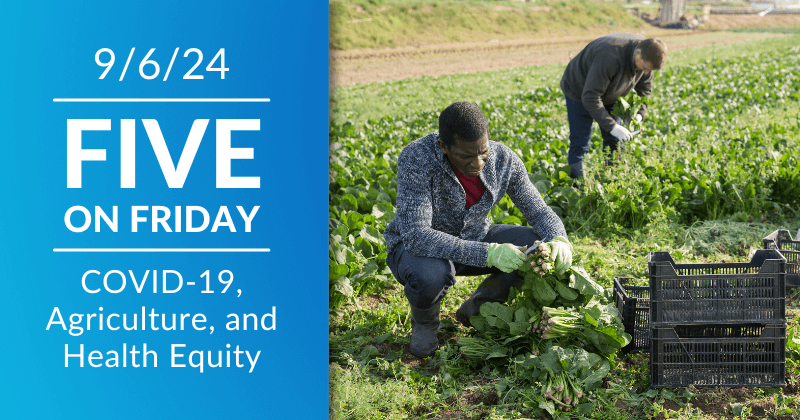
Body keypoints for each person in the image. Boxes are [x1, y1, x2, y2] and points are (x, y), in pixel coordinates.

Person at [383, 101, 573, 358]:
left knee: (537, 246)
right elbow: (417, 236)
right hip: (416, 250)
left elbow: (539, 211)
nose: (478, 162)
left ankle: (479, 308)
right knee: (430, 275)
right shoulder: (416, 158)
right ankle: (426, 324)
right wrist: (488, 254)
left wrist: (559, 239)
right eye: (466, 155)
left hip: (474, 235)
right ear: (444, 147)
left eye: (482, 152)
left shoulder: (504, 160)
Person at [561, 33, 667, 178]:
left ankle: (611, 179)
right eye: (644, 67)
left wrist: (639, 114)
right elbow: (590, 97)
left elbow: (645, 89)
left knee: (615, 142)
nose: (646, 72)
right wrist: (612, 126)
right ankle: (578, 188)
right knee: (580, 142)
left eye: (649, 70)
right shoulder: (610, 57)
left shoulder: (647, 59)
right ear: (638, 53)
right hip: (579, 91)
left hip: (611, 93)